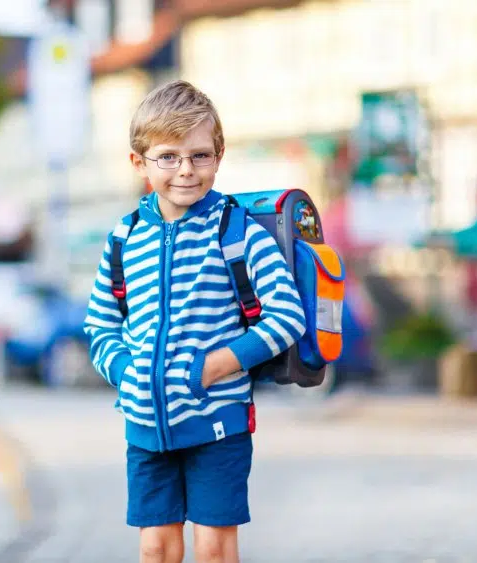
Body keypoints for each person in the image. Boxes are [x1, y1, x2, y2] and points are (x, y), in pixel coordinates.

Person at [83, 80, 306, 563]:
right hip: (145, 425)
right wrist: (129, 374)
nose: (185, 170)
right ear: (138, 162)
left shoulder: (236, 231)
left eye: (200, 156)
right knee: (156, 549)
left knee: (214, 549)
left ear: (219, 156)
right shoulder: (125, 237)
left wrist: (217, 365)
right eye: (168, 156)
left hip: (218, 422)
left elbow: (288, 317)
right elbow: (100, 324)